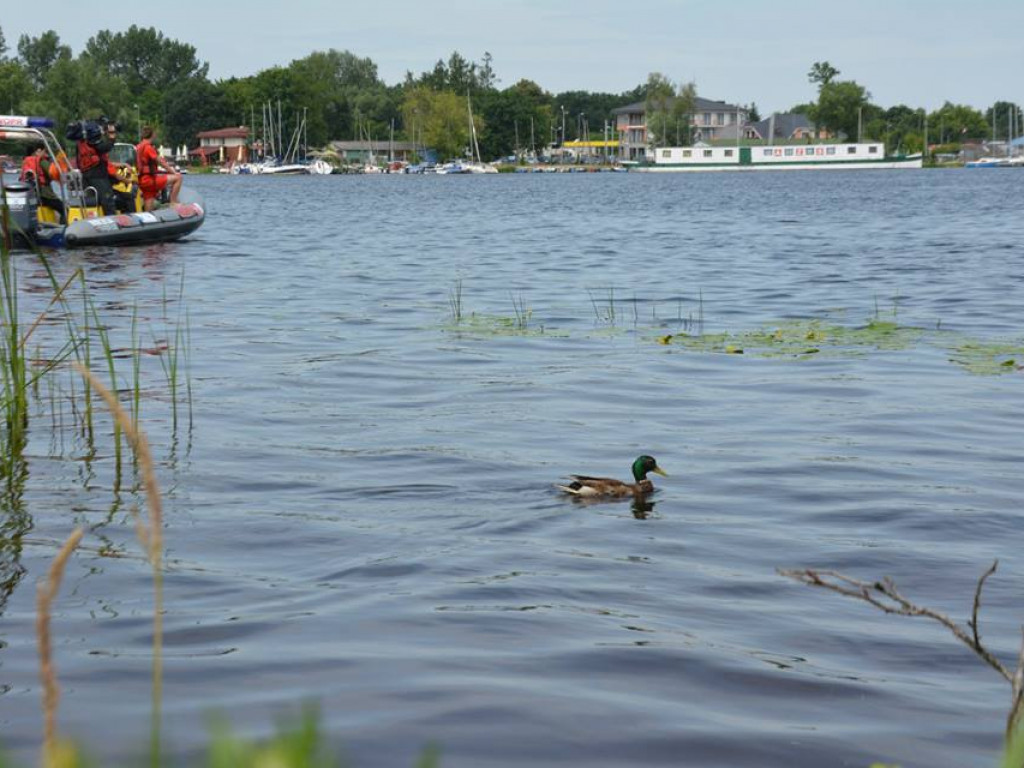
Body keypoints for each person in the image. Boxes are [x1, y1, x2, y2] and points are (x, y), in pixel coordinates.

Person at [75, 119, 121, 214]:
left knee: (93, 200)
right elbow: (105, 147)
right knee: (108, 200)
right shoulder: (94, 142)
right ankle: (111, 221)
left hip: (86, 176)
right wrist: (112, 137)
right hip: (98, 176)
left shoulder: (81, 143)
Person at [136, 125, 181, 212]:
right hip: (149, 180)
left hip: (142, 181)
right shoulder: (148, 147)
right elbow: (161, 162)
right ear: (152, 135)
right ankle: (173, 202)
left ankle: (148, 221)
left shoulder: (138, 146)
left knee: (148, 207)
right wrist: (173, 172)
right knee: (178, 178)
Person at [20, 142, 66, 223]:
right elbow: (52, 173)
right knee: (64, 209)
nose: (46, 154)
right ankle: (63, 228)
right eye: (45, 151)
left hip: (31, 195)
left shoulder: (25, 161)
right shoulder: (41, 161)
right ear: (38, 151)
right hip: (45, 195)